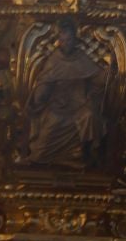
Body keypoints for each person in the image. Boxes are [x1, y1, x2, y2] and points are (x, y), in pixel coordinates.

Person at [24, 18, 107, 166]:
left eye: (69, 40)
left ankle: (83, 154)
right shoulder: (53, 61)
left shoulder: (81, 58)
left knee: (89, 116)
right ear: (59, 41)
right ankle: (41, 158)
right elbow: (43, 84)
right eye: (63, 40)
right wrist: (40, 94)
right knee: (49, 130)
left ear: (75, 40)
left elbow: (98, 77)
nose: (66, 43)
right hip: (57, 106)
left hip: (79, 105)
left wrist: (103, 79)